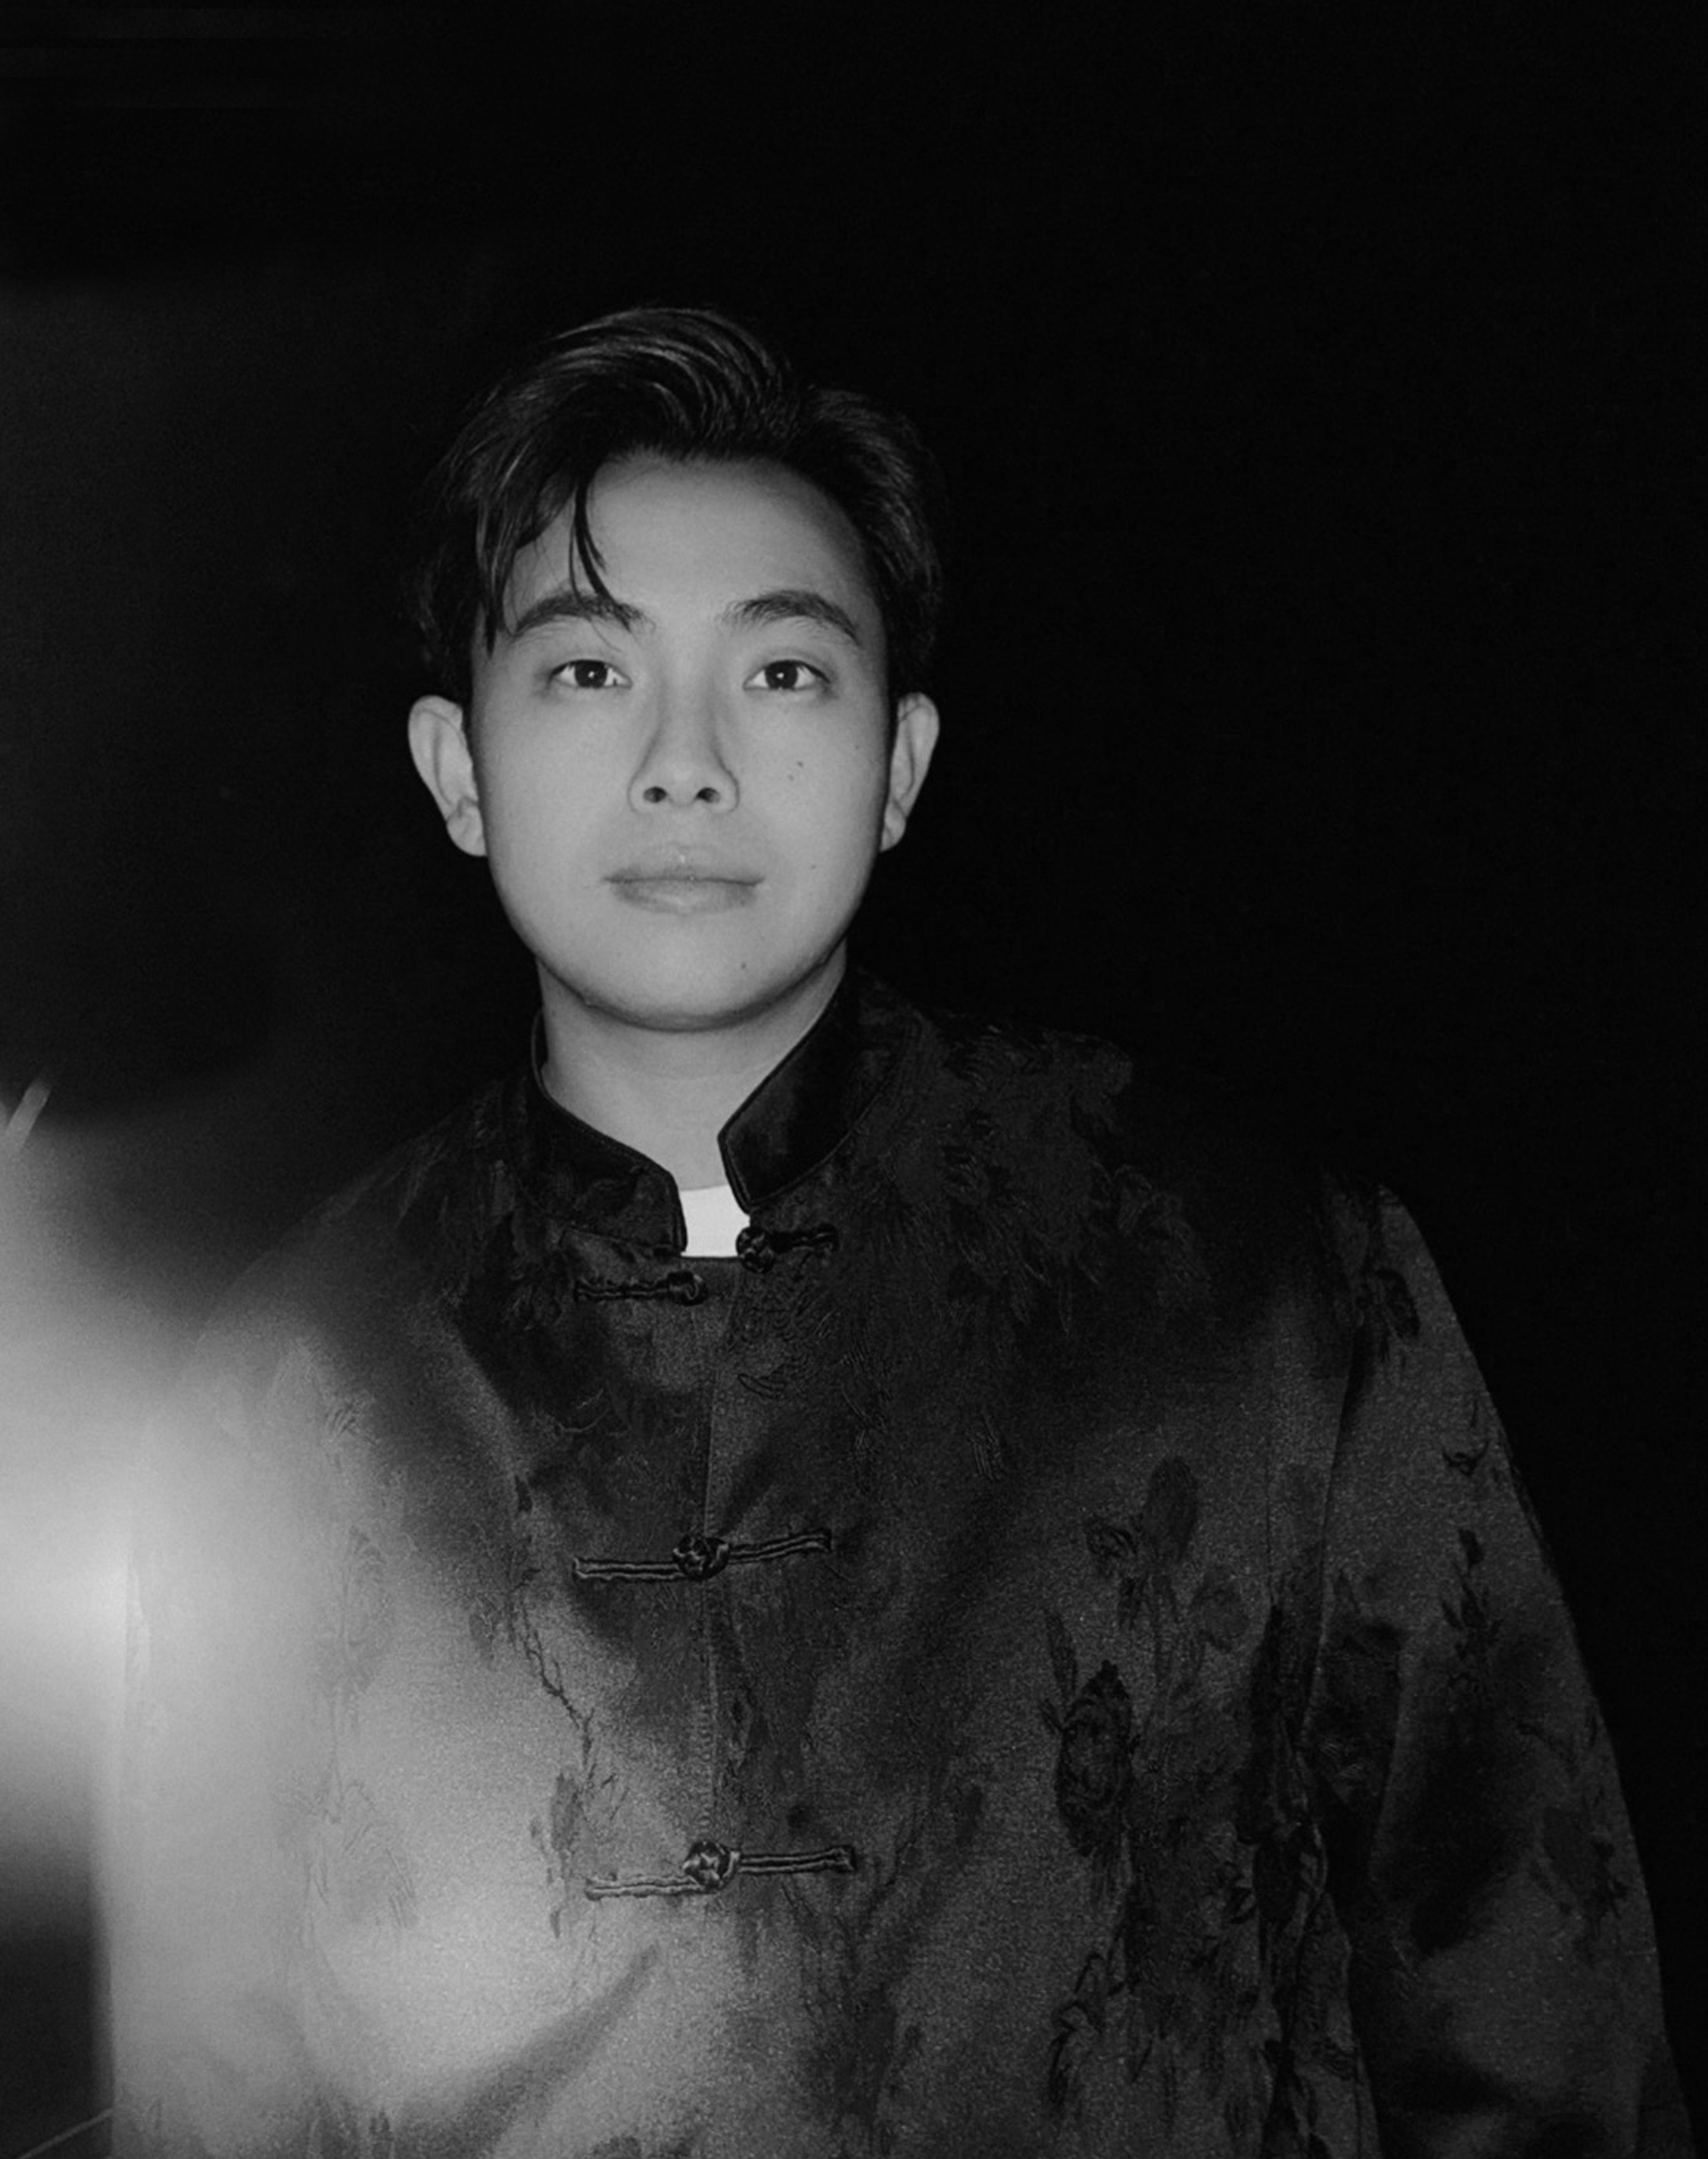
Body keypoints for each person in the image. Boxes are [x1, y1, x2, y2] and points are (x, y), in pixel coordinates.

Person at [110, 306, 1687, 2157]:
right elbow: (209, 2094)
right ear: (459, 769)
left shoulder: (1257, 1280)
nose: (685, 761)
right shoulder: (282, 1394)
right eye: (590, 671)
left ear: (901, 763)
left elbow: (1529, 2014)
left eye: (782, 672)